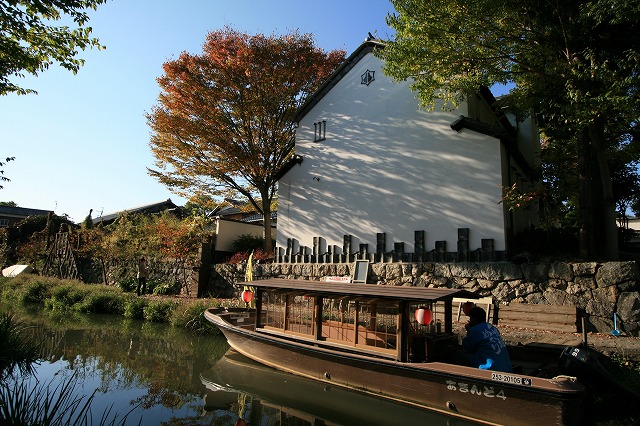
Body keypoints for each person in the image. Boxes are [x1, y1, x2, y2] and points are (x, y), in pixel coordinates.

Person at [459, 306, 512, 373]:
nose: (469, 321)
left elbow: (467, 347)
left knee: (459, 354)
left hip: (491, 368)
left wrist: (469, 331)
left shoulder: (475, 330)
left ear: (474, 319)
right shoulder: (492, 328)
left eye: (470, 318)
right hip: (506, 367)